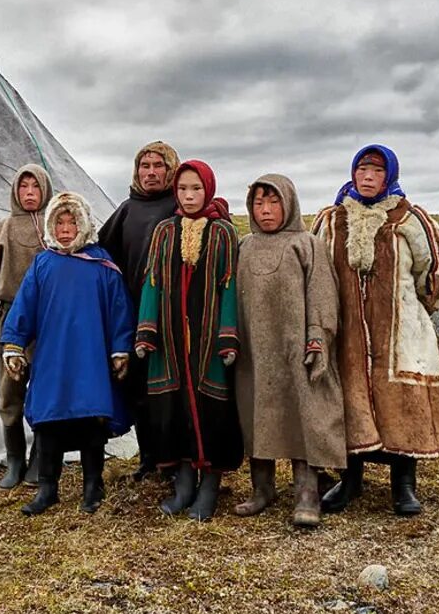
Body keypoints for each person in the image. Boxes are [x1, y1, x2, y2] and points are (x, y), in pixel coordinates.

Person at [311, 145, 439, 516]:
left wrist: (413, 310)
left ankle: (404, 485)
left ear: (389, 175)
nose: (367, 176)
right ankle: (350, 480)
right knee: (350, 399)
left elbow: (438, 273)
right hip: (345, 330)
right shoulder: (331, 220)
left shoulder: (410, 219)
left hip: (401, 331)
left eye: (376, 171)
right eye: (361, 169)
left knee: (402, 401)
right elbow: (314, 270)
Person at [0, 191, 135, 516]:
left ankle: (93, 487)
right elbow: (24, 308)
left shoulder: (102, 265)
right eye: (58, 222)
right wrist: (14, 344)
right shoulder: (43, 264)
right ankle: (48, 489)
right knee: (49, 423)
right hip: (52, 360)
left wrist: (120, 348)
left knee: (91, 422)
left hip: (90, 359)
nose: (64, 228)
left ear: (84, 224)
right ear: (50, 226)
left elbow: (120, 309)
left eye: (71, 221)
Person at [233, 174, 345, 528]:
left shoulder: (307, 244)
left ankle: (307, 494)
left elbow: (323, 296)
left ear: (290, 203)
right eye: (258, 203)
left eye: (274, 202)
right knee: (257, 416)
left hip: (295, 348)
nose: (265, 211)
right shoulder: (245, 245)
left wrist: (317, 335)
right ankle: (262, 489)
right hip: (254, 351)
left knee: (303, 416)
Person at [135, 160, 241, 521]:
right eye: (182, 189)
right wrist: (146, 331)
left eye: (196, 188)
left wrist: (228, 337)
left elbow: (230, 287)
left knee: (213, 408)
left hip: (209, 340)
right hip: (169, 339)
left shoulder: (223, 232)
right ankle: (183, 483)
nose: (189, 195)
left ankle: (210, 483)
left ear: (208, 189)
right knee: (173, 407)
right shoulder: (165, 231)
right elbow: (153, 282)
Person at [98, 141, 180, 480]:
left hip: (174, 314)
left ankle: (175, 461)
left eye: (158, 165)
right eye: (144, 166)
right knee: (141, 391)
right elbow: (102, 254)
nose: (150, 172)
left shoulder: (180, 206)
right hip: (134, 315)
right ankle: (148, 459)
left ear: (170, 170)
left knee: (172, 391)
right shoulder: (127, 210)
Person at [0, 163, 53, 489]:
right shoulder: (1, 230)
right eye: (24, 187)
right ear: (15, 191)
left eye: (36, 187)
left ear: (45, 190)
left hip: (49, 322)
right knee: (11, 392)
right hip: (10, 321)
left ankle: (40, 460)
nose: (30, 193)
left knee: (46, 392)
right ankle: (15, 460)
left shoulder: (55, 228)